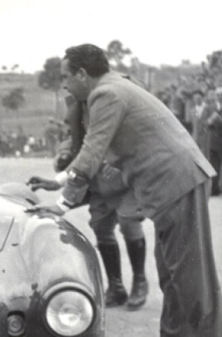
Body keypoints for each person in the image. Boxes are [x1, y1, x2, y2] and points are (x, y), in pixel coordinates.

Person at [26, 44, 222, 337]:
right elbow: (95, 152)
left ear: (82, 74)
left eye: (67, 77)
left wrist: (63, 204)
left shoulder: (105, 94)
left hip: (176, 181)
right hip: (175, 181)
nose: (65, 85)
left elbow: (94, 148)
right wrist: (60, 180)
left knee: (190, 267)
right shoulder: (117, 84)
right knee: (170, 267)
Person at [28, 94, 148, 309]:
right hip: (98, 178)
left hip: (125, 176)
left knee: (129, 222)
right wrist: (64, 157)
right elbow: (72, 138)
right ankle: (116, 286)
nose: (65, 84)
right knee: (101, 227)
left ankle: (140, 281)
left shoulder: (111, 98)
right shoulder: (75, 102)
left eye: (68, 77)